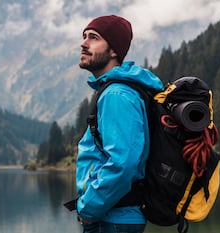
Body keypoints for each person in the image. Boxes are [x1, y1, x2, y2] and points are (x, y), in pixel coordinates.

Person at [75, 15, 164, 233]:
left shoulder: (117, 95)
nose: (83, 43)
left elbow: (122, 163)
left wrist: (88, 209)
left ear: (114, 50)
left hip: (113, 218)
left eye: (93, 38)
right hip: (114, 216)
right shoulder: (118, 90)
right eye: (84, 36)